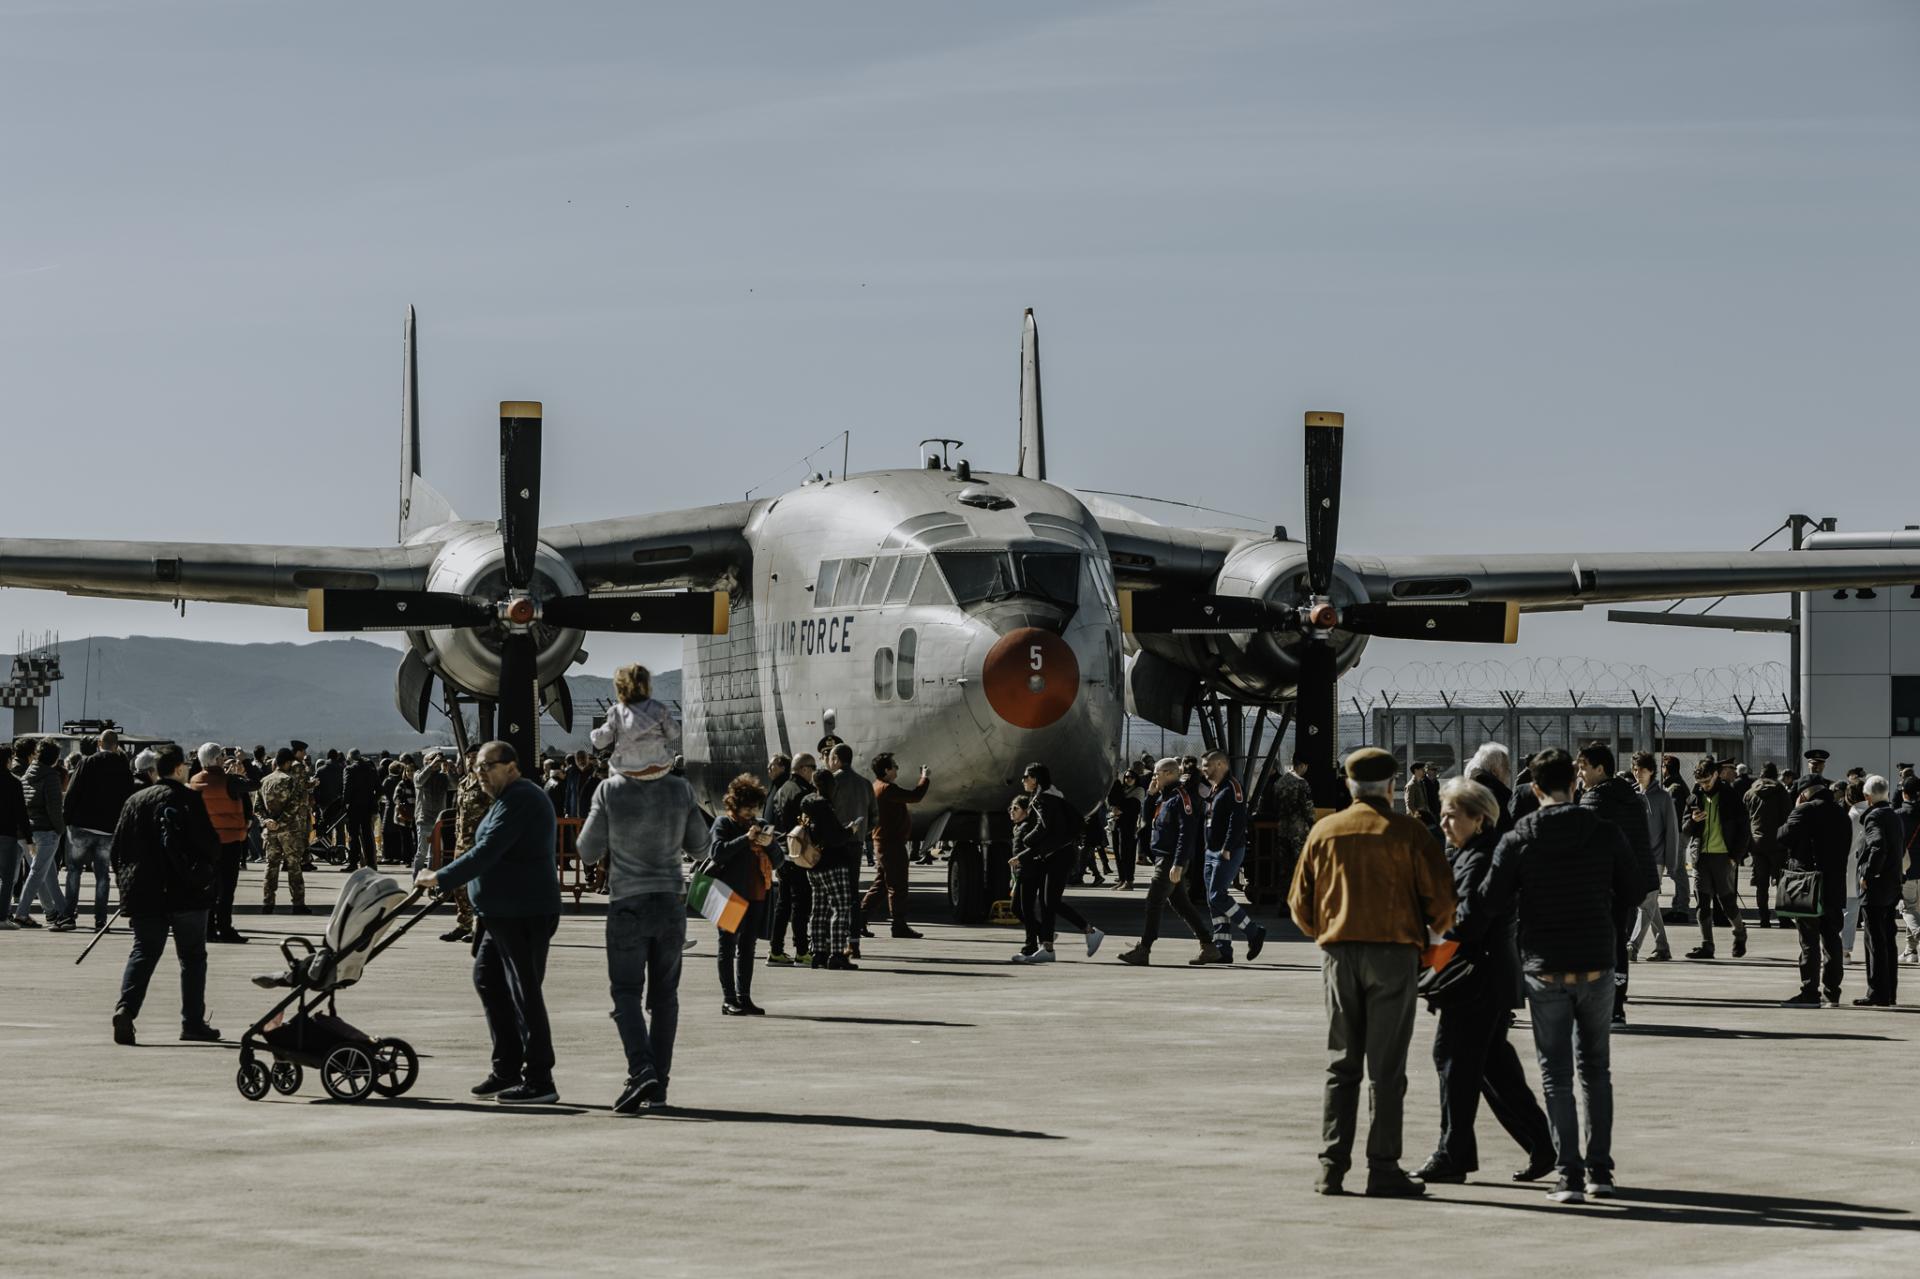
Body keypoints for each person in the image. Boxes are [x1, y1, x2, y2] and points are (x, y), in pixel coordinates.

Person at [1466, 749, 1638, 1205]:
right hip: (1598, 962)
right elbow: (1635, 886)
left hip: (1545, 965)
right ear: (1575, 784)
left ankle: (1569, 1175)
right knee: (1595, 1070)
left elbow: (1488, 903)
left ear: (1535, 789)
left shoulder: (1520, 835)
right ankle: (1600, 1169)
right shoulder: (1604, 831)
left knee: (1556, 1074)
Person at [1288, 747, 1455, 1197]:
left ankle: (1331, 1168)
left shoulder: (1326, 831)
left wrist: (1329, 934)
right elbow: (1443, 907)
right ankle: (1382, 1167)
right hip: (1394, 955)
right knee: (1386, 1069)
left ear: (1348, 785)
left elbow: (1299, 905)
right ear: (1392, 786)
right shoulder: (1410, 833)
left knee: (1341, 1065)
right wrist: (1429, 951)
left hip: (1340, 954)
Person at [1413, 777, 1556, 1187]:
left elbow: (1468, 922)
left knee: (1453, 1062)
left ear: (1479, 818)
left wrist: (1427, 938)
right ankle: (1544, 1144)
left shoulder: (1481, 857)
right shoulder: (1468, 852)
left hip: (1475, 979)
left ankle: (1452, 1154)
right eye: (1441, 813)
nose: (1443, 822)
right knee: (1495, 1067)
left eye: (1452, 814)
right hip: (1485, 979)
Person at [415, 741, 563, 1106]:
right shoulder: (504, 800)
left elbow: (487, 851)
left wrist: (441, 878)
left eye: (486, 767)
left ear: (511, 766)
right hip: (498, 915)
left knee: (524, 992)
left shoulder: (523, 799)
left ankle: (540, 1078)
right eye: (476, 768)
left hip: (524, 912)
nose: (479, 774)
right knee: (488, 981)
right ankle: (507, 1069)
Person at [577, 745, 711, 1111]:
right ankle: (660, 1084)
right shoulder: (680, 790)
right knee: (666, 998)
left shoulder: (611, 790)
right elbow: (702, 847)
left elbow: (587, 850)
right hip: (670, 903)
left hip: (628, 905)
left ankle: (641, 1069)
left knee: (625, 994)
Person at [109, 744, 222, 1046]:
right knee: (193, 958)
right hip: (187, 893)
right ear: (179, 768)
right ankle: (192, 1022)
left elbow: (117, 850)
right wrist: (206, 874)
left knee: (144, 952)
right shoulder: (189, 800)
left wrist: (127, 888)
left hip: (145, 894)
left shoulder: (135, 801)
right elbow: (209, 844)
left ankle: (126, 1009)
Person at [1575, 743, 1655, 1024]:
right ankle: (1617, 1003)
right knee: (1618, 941)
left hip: (1600, 887)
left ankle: (1604, 1003)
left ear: (1599, 769)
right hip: (1626, 884)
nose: (1580, 772)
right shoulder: (1630, 798)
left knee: (1598, 944)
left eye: (1583, 766)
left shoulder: (1595, 799)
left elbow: (1583, 846)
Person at [1116, 758, 1222, 967]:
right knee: (1181, 903)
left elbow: (1187, 833)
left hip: (1170, 859)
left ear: (1169, 774)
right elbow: (1146, 821)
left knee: (1153, 901)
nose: (1153, 776)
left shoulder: (1181, 798)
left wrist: (1179, 863)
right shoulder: (1165, 797)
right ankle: (1209, 946)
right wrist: (1150, 795)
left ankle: (1144, 948)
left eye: (1156, 773)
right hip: (1163, 856)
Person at [706, 774, 776, 1016]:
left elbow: (778, 861)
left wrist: (769, 844)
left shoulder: (761, 824)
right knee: (727, 945)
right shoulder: (724, 824)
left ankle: (744, 997)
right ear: (735, 805)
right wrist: (746, 839)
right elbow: (717, 852)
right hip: (729, 893)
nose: (752, 813)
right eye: (747, 808)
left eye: (755, 807)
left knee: (748, 947)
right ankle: (728, 999)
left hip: (756, 893)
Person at [1779, 775, 1852, 1005]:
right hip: (1834, 885)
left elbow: (1782, 837)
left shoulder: (1804, 811)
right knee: (1832, 939)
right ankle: (1833, 992)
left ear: (1805, 792)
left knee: (1809, 940)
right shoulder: (1841, 813)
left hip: (1809, 886)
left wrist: (1796, 809)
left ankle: (1810, 991)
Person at [61, 729, 137, 933]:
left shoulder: (87, 763)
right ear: (116, 745)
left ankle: (68, 915)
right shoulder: (123, 768)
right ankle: (100, 920)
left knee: (74, 871)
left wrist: (67, 820)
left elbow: (72, 792)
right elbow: (128, 800)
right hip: (108, 830)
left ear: (99, 744)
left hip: (82, 827)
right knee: (102, 875)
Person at [1199, 750, 1266, 963]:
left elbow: (1237, 822)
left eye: (1207, 765)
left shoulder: (1233, 788)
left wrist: (1227, 847)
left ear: (1220, 765)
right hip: (1211, 850)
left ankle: (1253, 931)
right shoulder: (1214, 789)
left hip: (1227, 851)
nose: (1204, 769)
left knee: (1218, 895)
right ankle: (1223, 949)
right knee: (1213, 901)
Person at [1683, 758, 1750, 959]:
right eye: (1701, 782)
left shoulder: (1730, 796)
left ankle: (1740, 933)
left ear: (1715, 775)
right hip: (1701, 856)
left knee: (1726, 902)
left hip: (1723, 857)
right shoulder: (1694, 796)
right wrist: (1692, 821)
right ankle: (1707, 945)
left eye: (1707, 781)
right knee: (1702, 902)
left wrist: (1735, 857)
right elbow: (1685, 829)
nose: (1704, 785)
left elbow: (1743, 829)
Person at [190, 744, 253, 945]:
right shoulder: (230, 781)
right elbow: (256, 784)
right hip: (229, 841)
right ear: (218, 759)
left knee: (209, 887)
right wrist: (245, 764)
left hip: (205, 842)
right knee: (226, 889)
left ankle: (207, 928)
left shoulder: (195, 782)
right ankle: (224, 927)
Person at [822, 743, 880, 949]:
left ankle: (830, 942)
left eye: (830, 758)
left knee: (831, 893)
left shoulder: (832, 782)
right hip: (855, 844)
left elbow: (823, 812)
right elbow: (875, 817)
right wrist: (862, 831)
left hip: (834, 844)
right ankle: (853, 943)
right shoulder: (865, 784)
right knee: (853, 893)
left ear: (836, 760)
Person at [865, 752, 928, 938]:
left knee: (882, 885)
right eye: (894, 766)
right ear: (887, 770)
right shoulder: (887, 789)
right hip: (892, 844)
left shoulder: (878, 787)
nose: (897, 768)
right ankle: (898, 924)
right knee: (897, 886)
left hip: (885, 842)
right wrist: (924, 777)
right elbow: (915, 796)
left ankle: (859, 919)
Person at [1856, 775, 1902, 1007]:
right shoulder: (1894, 815)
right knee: (1888, 940)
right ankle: (1889, 992)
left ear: (1868, 797)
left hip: (1876, 887)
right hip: (1892, 885)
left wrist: (1868, 873)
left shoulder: (1873, 816)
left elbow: (1877, 846)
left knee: (1874, 940)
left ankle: (1876, 992)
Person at [766, 753, 816, 965]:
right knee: (801, 903)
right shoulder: (803, 793)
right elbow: (808, 826)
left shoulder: (781, 790)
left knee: (783, 903)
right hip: (798, 853)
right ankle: (802, 951)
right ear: (803, 769)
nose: (814, 772)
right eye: (812, 768)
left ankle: (776, 950)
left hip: (781, 852)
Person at [15, 740, 71, 929]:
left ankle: (63, 911)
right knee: (38, 874)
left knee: (48, 875)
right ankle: (21, 912)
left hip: (27, 833)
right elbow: (54, 808)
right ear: (55, 758)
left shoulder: (26, 775)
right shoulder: (51, 777)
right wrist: (61, 829)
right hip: (46, 832)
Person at [590, 663, 682, 777]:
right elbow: (674, 732)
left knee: (605, 790)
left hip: (626, 772)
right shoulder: (658, 708)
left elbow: (600, 741)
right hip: (655, 771)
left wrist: (594, 734)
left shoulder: (617, 712)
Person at [1627, 752, 1677, 963]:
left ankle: (1633, 945)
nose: (1638, 773)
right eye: (1635, 769)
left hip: (1656, 859)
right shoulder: (1632, 795)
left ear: (1652, 771)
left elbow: (1672, 831)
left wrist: (1671, 863)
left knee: (1646, 902)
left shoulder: (1664, 797)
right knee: (1650, 903)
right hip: (1636, 858)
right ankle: (1662, 947)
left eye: (1642, 769)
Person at [256, 749, 312, 915]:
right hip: (289, 830)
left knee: (271, 866)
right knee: (294, 866)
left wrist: (267, 821)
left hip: (270, 831)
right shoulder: (290, 781)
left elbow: (257, 807)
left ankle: (268, 903)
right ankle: (298, 904)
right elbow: (295, 805)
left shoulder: (264, 781)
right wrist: (280, 822)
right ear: (288, 763)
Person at [441, 748, 488, 943]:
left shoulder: (487, 783)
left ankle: (479, 927)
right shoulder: (463, 783)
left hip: (479, 841)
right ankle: (464, 923)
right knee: (459, 885)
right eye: (468, 758)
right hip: (463, 841)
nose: (470, 761)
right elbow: (459, 812)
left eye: (474, 757)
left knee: (478, 885)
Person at [1744, 762, 1792, 928]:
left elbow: (1745, 817)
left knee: (1761, 884)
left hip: (1757, 844)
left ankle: (1764, 918)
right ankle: (1783, 918)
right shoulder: (1781, 791)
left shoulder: (1750, 792)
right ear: (1775, 775)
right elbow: (1788, 816)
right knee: (1780, 883)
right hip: (1777, 843)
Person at [0, 745, 30, 932]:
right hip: (7, 835)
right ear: (7, 760)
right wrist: (29, 838)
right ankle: (2, 917)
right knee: (7, 878)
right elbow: (21, 813)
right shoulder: (14, 782)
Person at [413, 750, 455, 877]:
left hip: (438, 819)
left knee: (434, 853)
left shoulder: (443, 776)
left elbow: (455, 785)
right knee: (422, 852)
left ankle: (430, 879)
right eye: (433, 759)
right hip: (424, 818)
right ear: (426, 761)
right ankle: (416, 879)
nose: (437, 762)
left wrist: (449, 771)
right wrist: (430, 767)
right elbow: (419, 782)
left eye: (438, 760)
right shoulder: (419, 773)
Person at [1105, 768, 1145, 890]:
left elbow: (1133, 806)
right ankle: (1122, 879)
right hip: (1118, 824)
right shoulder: (1122, 789)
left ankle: (1129, 880)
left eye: (1131, 777)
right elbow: (1110, 802)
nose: (1128, 779)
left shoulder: (1138, 790)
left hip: (1129, 825)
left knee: (1128, 853)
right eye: (1126, 777)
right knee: (1118, 853)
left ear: (1135, 779)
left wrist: (1119, 808)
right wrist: (1113, 809)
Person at [1896, 776, 1920, 965]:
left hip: (1907, 869)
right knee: (1916, 910)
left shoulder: (1898, 815)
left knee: (1908, 908)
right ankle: (1910, 951)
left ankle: (1917, 939)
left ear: (1904, 793)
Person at [342, 750, 379, 870]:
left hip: (354, 807)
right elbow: (379, 788)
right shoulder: (371, 769)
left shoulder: (349, 769)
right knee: (368, 835)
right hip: (368, 806)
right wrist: (373, 800)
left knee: (353, 835)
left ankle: (353, 863)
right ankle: (371, 863)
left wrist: (344, 804)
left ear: (350, 758)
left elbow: (347, 789)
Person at [379, 760, 415, 867]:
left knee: (387, 832)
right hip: (405, 811)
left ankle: (388, 855)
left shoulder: (388, 781)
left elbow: (382, 793)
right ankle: (400, 855)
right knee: (400, 835)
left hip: (391, 808)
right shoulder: (404, 781)